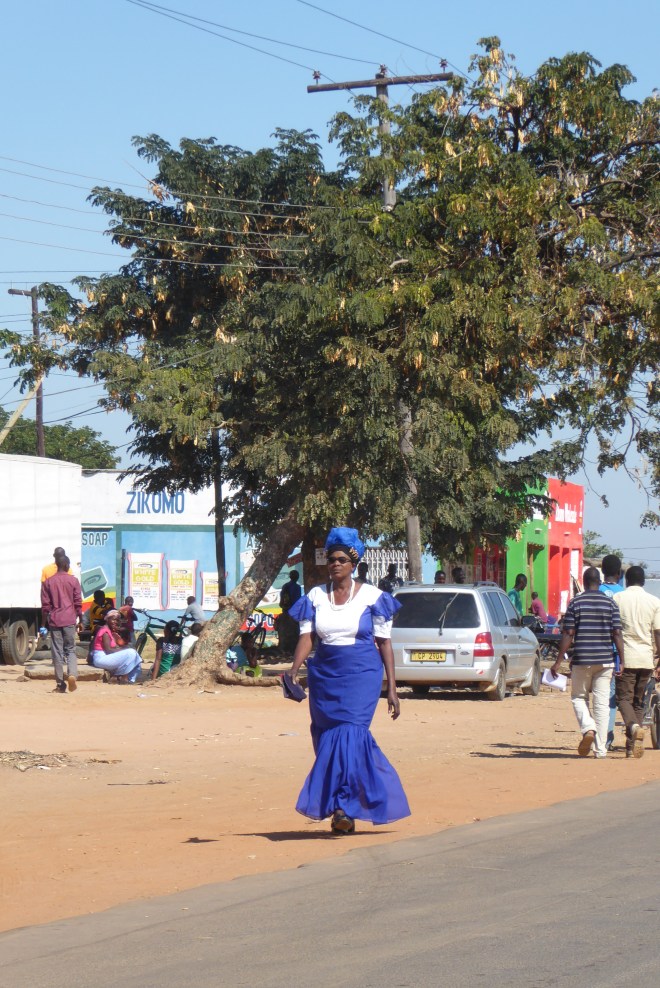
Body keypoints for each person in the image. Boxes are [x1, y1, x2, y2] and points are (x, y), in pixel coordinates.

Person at [287, 526, 410, 835]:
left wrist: (392, 689)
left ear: (353, 563)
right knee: (327, 739)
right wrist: (293, 669)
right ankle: (343, 806)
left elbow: (384, 644)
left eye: (341, 559)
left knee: (351, 735)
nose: (335, 564)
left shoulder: (373, 597)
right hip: (325, 675)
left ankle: (344, 806)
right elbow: (307, 637)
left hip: (361, 674)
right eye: (331, 559)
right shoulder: (315, 596)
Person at [550, 566, 624, 758]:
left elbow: (568, 633)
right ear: (599, 582)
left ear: (583, 582)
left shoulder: (576, 603)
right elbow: (617, 634)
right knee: (601, 704)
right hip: (605, 660)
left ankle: (588, 728)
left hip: (582, 658)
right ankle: (600, 750)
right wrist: (621, 660)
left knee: (579, 697)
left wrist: (558, 661)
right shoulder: (610, 604)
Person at [615, 566, 660, 759]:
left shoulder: (617, 599)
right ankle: (631, 745)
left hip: (626, 659)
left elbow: (614, 631)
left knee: (623, 699)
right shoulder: (654, 602)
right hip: (647, 658)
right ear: (643, 581)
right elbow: (657, 632)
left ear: (626, 581)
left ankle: (633, 727)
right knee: (639, 702)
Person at [41, 555, 82, 694]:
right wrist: (80, 620)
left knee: (57, 652)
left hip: (55, 620)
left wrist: (42, 625)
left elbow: (45, 606)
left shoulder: (48, 582)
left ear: (57, 565)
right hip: (70, 619)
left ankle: (60, 684)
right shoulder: (74, 581)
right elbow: (78, 602)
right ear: (67, 566)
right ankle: (72, 674)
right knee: (70, 649)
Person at [599, 553, 624, 750]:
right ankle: (607, 736)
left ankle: (598, 732)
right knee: (612, 696)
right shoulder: (623, 594)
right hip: (617, 651)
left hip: (597, 649)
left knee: (598, 693)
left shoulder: (596, 590)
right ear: (618, 572)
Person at [90, 610, 142, 683]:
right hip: (101, 658)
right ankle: (119, 676)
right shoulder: (105, 631)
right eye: (113, 619)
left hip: (106, 656)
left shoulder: (110, 631)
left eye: (117, 620)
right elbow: (109, 650)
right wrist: (125, 650)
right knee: (131, 653)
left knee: (136, 657)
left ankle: (130, 679)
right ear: (107, 619)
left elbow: (116, 647)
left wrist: (124, 648)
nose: (115, 622)